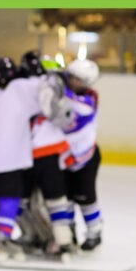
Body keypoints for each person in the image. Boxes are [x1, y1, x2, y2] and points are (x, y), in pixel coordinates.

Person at [0, 56, 54, 262]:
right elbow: (44, 85)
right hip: (12, 160)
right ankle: (3, 238)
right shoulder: (19, 89)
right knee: (9, 198)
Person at [17, 51, 73, 255]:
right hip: (45, 151)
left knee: (24, 200)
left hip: (28, 153)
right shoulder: (52, 82)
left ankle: (34, 236)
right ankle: (61, 239)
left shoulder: (18, 86)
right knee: (54, 199)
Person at [59, 59, 103, 251]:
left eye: (79, 80)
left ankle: (95, 232)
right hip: (64, 156)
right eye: (72, 77)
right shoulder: (64, 92)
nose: (73, 82)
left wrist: (55, 84)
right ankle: (69, 233)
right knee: (66, 199)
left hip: (85, 158)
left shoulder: (89, 99)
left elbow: (74, 103)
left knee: (85, 198)